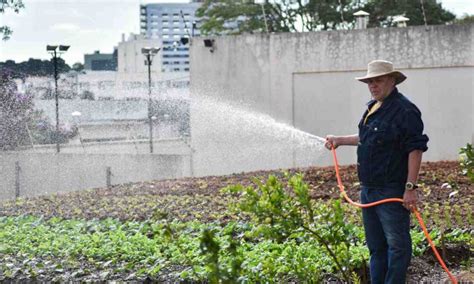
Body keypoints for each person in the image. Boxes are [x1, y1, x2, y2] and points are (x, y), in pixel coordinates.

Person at [325, 60, 429, 284]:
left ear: (392, 80)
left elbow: (416, 148)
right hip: (369, 190)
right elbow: (368, 138)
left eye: (378, 80)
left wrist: (410, 188)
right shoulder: (372, 108)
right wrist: (340, 140)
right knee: (376, 248)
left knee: (397, 247)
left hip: (390, 190)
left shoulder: (405, 111)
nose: (373, 85)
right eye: (369, 81)